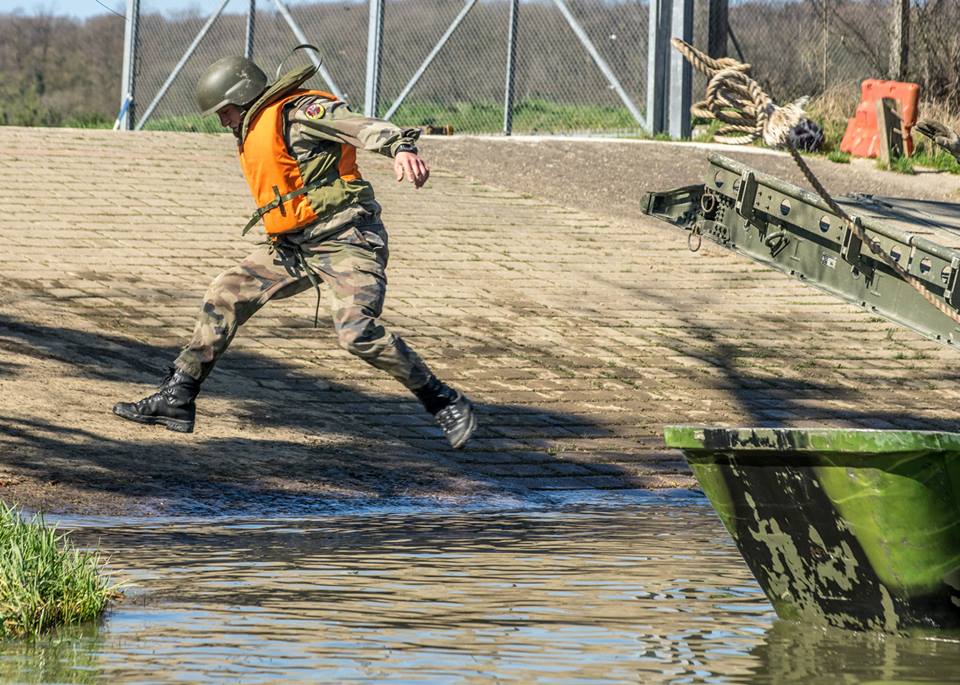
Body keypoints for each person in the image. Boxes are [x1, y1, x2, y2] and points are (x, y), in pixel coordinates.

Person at [112, 54, 477, 449]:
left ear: (244, 97)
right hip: (294, 246)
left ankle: (444, 401)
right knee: (225, 293)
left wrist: (400, 147)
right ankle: (177, 396)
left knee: (356, 332)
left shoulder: (302, 112)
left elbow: (359, 125)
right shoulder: (255, 127)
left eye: (227, 111)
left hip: (347, 239)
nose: (224, 121)